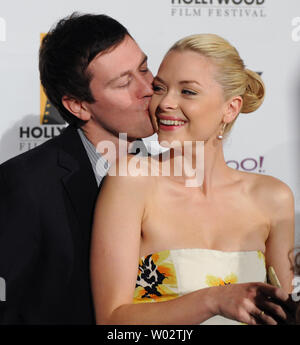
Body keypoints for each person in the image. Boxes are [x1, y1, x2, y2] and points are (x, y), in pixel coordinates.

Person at [90, 34, 295, 325]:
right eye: (160, 88)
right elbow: (112, 321)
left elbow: (280, 314)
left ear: (231, 108)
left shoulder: (274, 197)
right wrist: (213, 300)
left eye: (188, 92)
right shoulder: (131, 180)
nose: (164, 103)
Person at [0, 13, 154, 324]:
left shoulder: (177, 170)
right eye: (124, 82)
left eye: (144, 68)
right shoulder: (27, 183)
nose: (147, 89)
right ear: (78, 106)